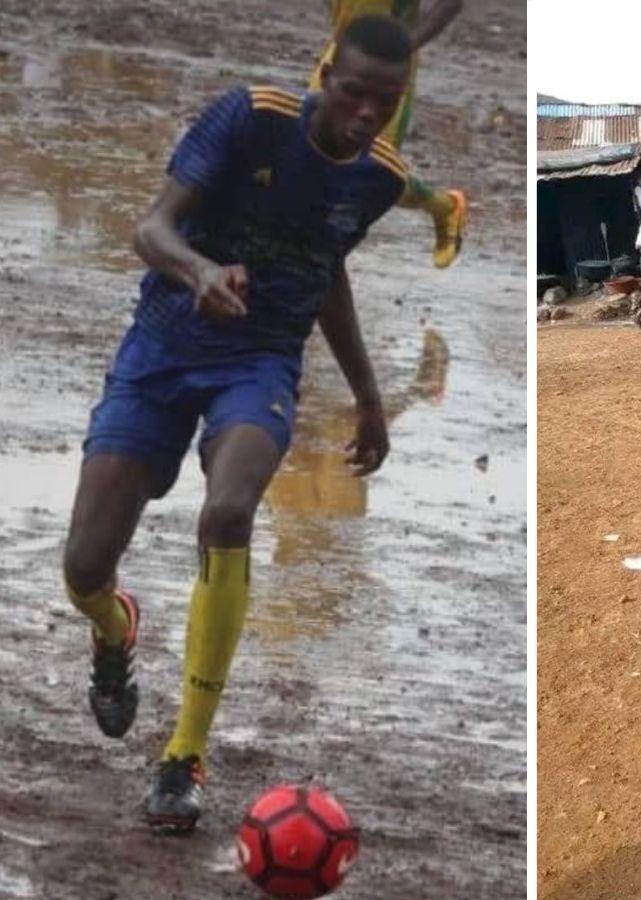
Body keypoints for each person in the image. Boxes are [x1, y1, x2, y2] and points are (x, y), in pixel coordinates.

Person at [64, 14, 417, 834]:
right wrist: (197, 272)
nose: (368, 114)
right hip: (162, 346)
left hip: (259, 362)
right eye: (356, 93)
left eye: (386, 102)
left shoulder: (381, 179)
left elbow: (326, 271)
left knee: (229, 512)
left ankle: (183, 757)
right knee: (83, 567)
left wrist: (368, 395)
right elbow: (149, 227)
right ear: (327, 75)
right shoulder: (248, 116)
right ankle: (115, 632)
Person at [309, 0, 468, 269]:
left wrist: (407, 45)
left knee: (367, 169)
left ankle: (446, 207)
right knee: (313, 149)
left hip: (385, 74)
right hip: (343, 56)